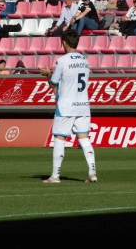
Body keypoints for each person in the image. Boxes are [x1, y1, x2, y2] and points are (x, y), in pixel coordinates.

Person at [39, 30, 96, 183]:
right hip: (83, 105)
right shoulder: (85, 61)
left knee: (59, 138)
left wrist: (47, 74)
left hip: (66, 106)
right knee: (84, 139)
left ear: (64, 42)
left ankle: (55, 176)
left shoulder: (62, 61)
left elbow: (53, 84)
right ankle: (92, 172)